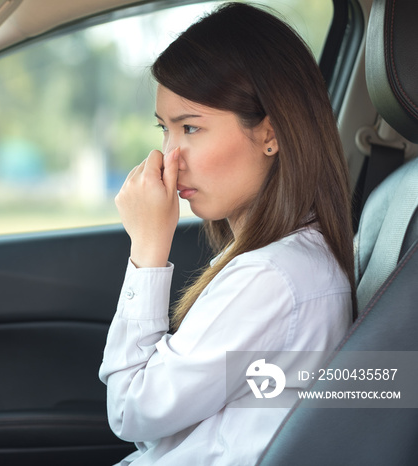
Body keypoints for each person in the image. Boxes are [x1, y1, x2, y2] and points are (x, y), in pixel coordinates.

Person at [98, 3, 356, 465]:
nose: (170, 158)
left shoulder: (271, 277)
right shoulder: (279, 259)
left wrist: (147, 251)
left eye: (191, 128)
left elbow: (130, 411)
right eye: (165, 130)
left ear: (270, 134)